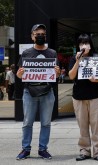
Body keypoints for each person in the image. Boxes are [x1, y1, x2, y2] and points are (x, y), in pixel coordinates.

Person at [16, 24, 60, 160]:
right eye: (37, 34)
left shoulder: (52, 53)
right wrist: (19, 73)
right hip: (29, 92)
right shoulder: (26, 53)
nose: (40, 36)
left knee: (46, 123)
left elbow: (56, 75)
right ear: (32, 36)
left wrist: (57, 73)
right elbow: (19, 75)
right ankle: (25, 149)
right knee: (27, 122)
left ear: (45, 36)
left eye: (42, 34)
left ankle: (43, 149)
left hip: (47, 91)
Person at [68, 34, 98, 162]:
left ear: (91, 45)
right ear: (78, 46)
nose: (84, 46)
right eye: (81, 43)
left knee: (96, 126)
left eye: (86, 43)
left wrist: (96, 80)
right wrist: (78, 60)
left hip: (96, 96)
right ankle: (84, 150)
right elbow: (71, 76)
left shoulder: (97, 57)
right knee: (82, 126)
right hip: (79, 96)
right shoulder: (74, 59)